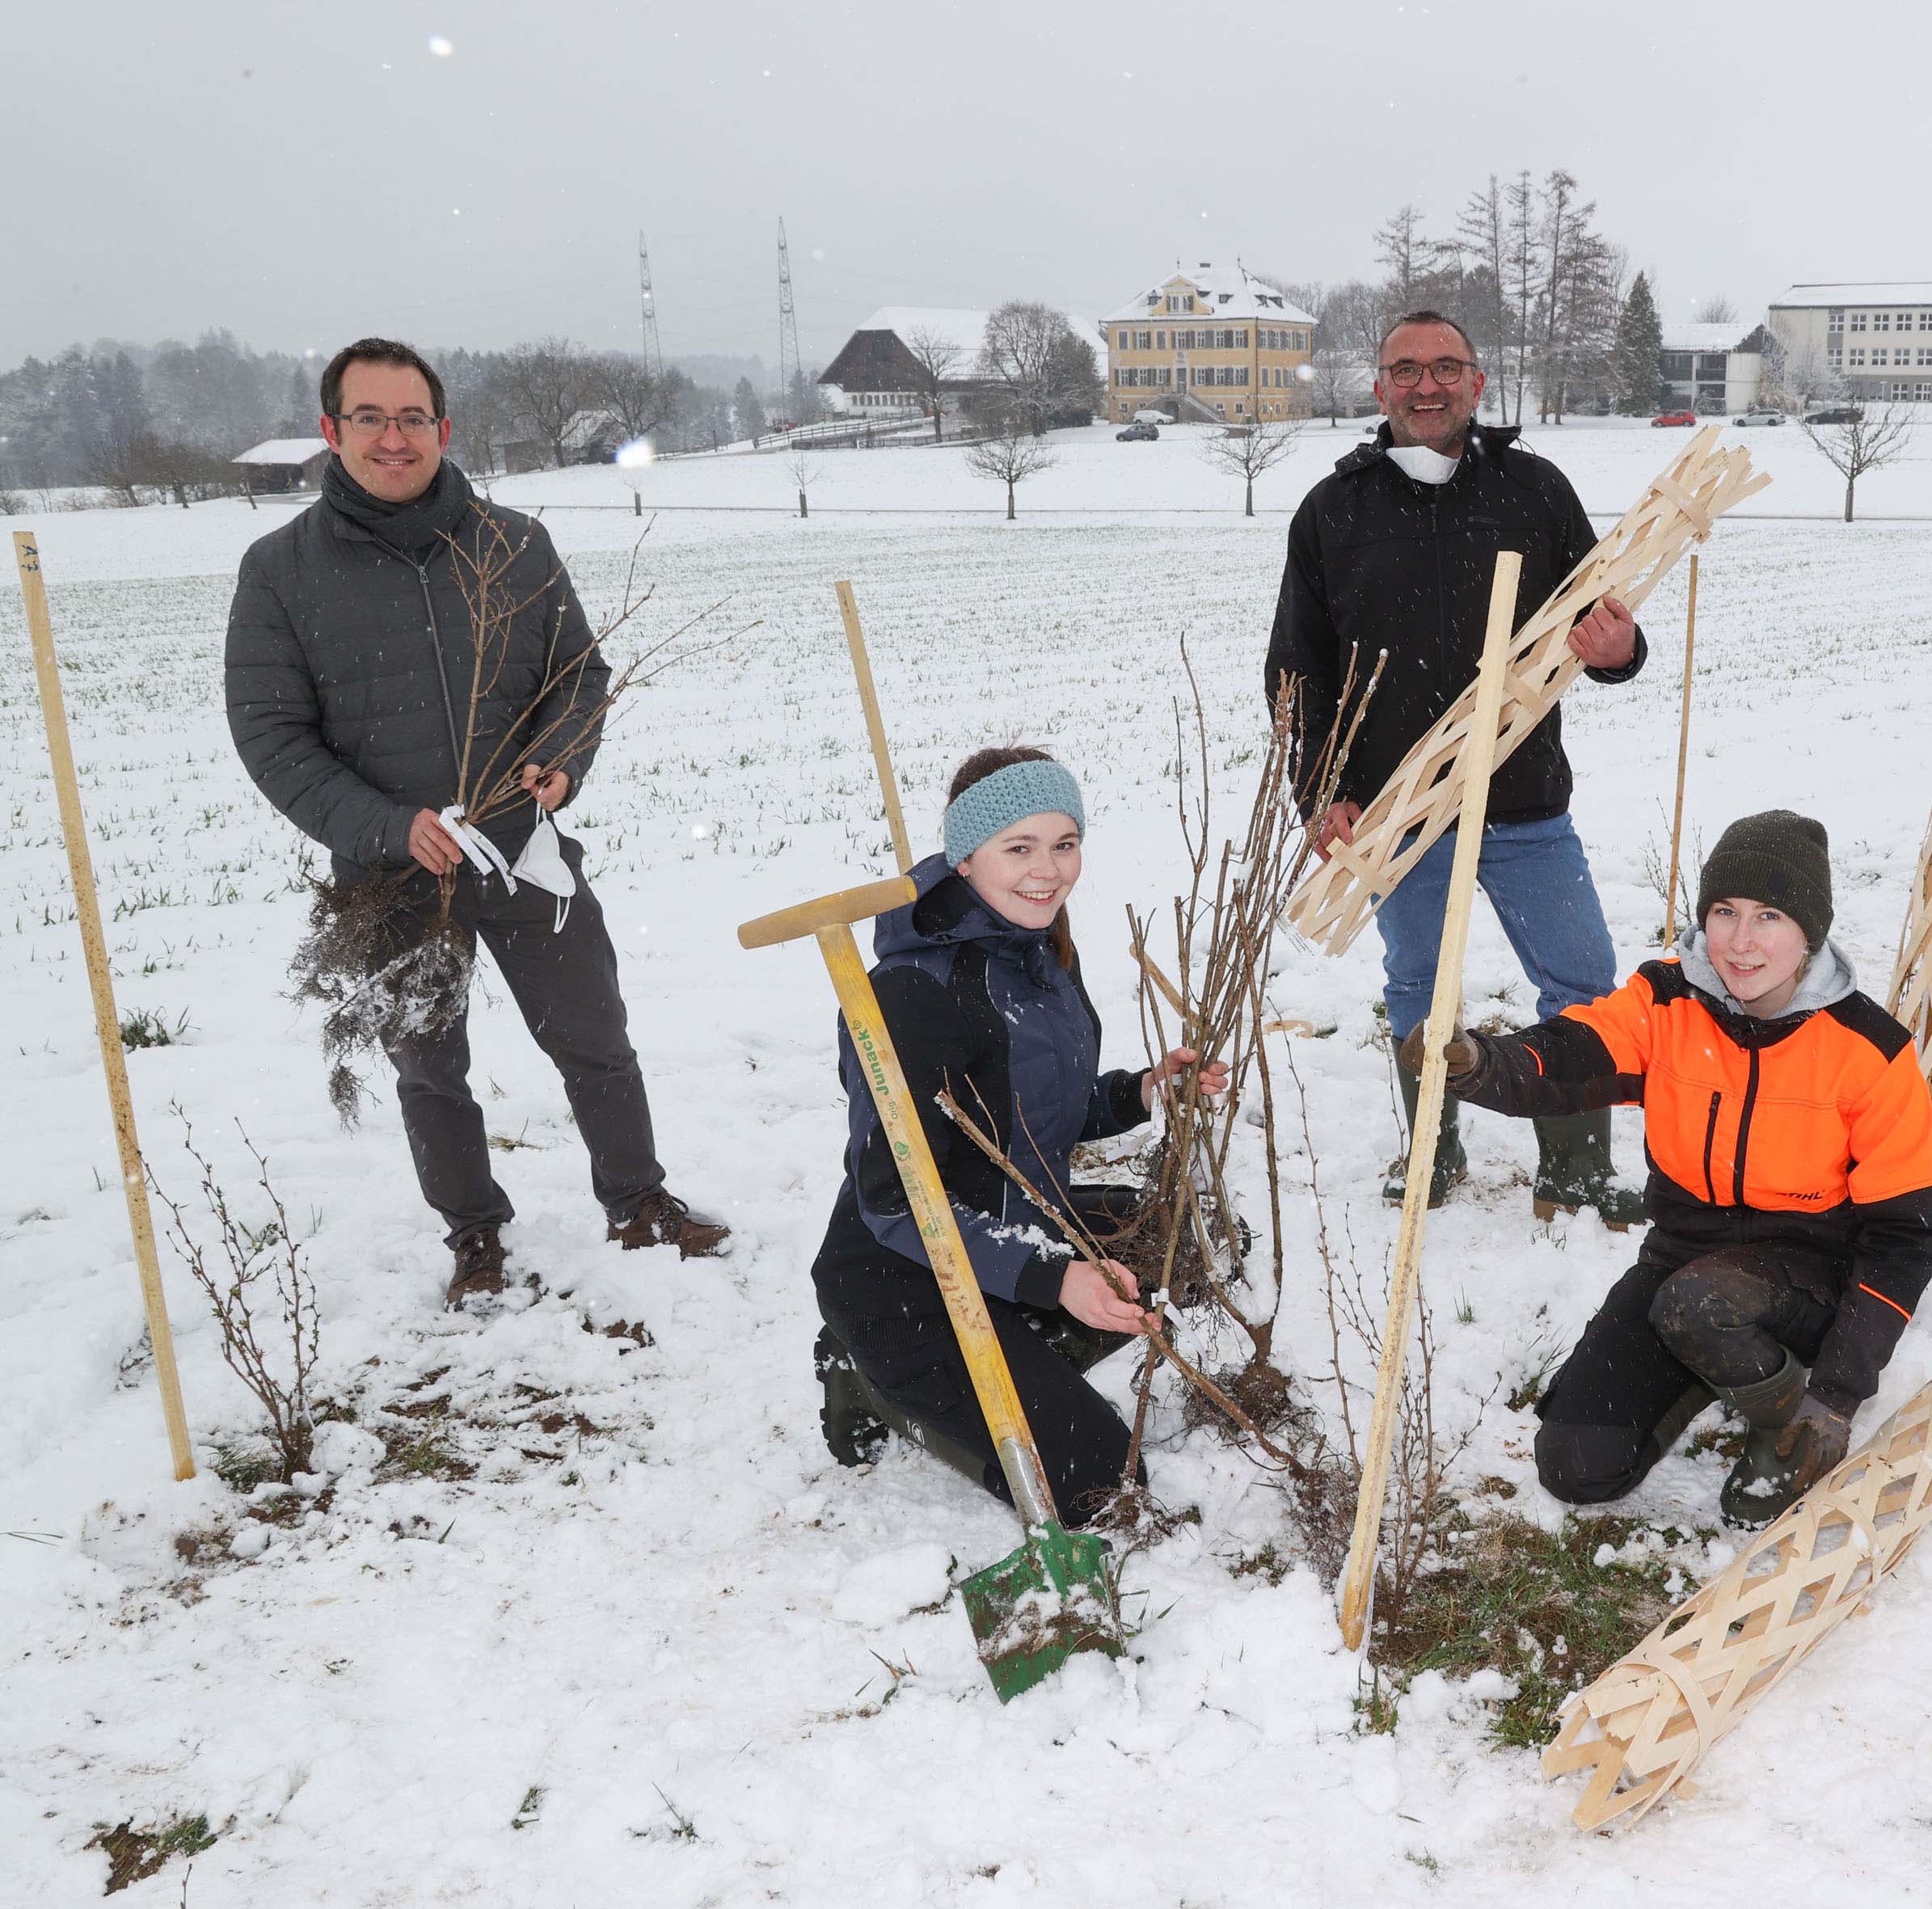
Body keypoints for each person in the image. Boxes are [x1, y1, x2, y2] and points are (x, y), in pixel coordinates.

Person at [224, 337, 728, 1308]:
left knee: (594, 1035)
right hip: (391, 873)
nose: (393, 436)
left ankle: (637, 1201)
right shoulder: (282, 570)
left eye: (412, 417)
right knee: (429, 1067)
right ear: (331, 431)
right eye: (368, 417)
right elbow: (272, 736)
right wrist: (385, 825)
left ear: (443, 429)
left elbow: (579, 674)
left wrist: (561, 765)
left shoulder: (514, 543)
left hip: (524, 848)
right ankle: (475, 1237)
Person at [1407, 812, 1932, 1527]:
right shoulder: (1664, 1001)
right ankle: (1713, 1362)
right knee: (1577, 1466)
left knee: (1699, 1304)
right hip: (1685, 1256)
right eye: (1724, 912)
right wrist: (1479, 1063)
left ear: (1808, 933)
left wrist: (1834, 1397)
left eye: (1769, 917)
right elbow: (1570, 1055)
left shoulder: (1868, 1050)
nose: (1741, 941)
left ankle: (1777, 1413)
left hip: (1813, 1276)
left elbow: (1903, 1236)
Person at [1268, 309, 1647, 1228]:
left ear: (1478, 383)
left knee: (1582, 979)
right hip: (1398, 809)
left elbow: (1606, 622)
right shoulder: (1333, 509)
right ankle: (1432, 1151)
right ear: (1379, 388)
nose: (1426, 385)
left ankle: (1578, 1168)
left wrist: (1621, 648)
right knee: (1419, 982)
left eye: (1446, 367)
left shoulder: (1534, 489)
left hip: (1525, 802)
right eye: (1407, 369)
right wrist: (1320, 793)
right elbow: (1297, 667)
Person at [810, 747, 1227, 1523]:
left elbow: (1037, 1118)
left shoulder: (1037, 956)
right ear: (965, 859)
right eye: (1019, 848)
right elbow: (895, 1201)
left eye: (1064, 844)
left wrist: (1142, 1090)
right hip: (905, 1276)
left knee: (1190, 1252)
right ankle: (867, 1373)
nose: (1049, 870)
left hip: (1017, 1226)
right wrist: (1054, 1280)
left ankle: (1027, 1344)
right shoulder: (912, 995)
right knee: (1102, 1484)